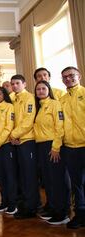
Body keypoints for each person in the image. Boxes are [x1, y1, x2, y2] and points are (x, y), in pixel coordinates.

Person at [34, 80, 70, 225]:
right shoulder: (40, 107)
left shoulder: (55, 104)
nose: (41, 91)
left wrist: (55, 147)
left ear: (49, 90)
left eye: (43, 88)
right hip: (41, 146)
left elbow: (60, 126)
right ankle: (53, 208)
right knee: (48, 180)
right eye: (38, 89)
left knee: (57, 180)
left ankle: (63, 212)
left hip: (52, 146)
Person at [9, 74, 39, 219]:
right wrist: (13, 136)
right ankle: (25, 204)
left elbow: (28, 121)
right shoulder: (12, 99)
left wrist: (13, 135)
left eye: (17, 83)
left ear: (24, 84)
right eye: (12, 84)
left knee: (29, 175)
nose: (14, 86)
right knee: (20, 175)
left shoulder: (30, 98)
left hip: (27, 141)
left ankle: (31, 207)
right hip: (15, 142)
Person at [59, 66, 85, 229]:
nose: (68, 79)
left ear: (79, 76)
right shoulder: (62, 99)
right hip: (69, 146)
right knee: (77, 183)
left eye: (71, 76)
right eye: (65, 77)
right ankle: (80, 214)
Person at [0, 87, 17, 215]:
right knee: (0, 176)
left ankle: (12, 204)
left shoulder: (9, 107)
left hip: (5, 146)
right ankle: (4, 202)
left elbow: (8, 127)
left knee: (9, 175)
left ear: (4, 95)